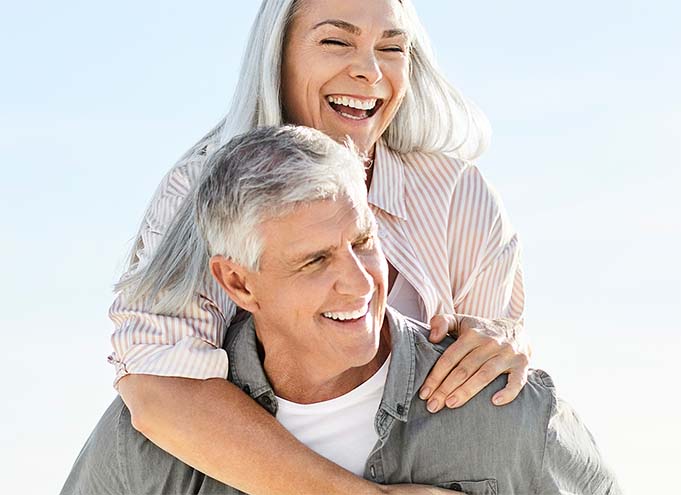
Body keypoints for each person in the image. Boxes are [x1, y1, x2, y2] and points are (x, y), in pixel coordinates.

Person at [108, 0, 531, 493]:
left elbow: (492, 385)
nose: (370, 71)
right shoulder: (202, 189)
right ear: (277, 56)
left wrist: (501, 342)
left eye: (392, 48)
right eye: (336, 41)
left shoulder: (456, 193)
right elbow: (159, 388)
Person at [63, 126, 619, 495]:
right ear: (238, 283)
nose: (359, 283)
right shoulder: (149, 446)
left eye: (363, 242)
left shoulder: (503, 410)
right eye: (314, 261)